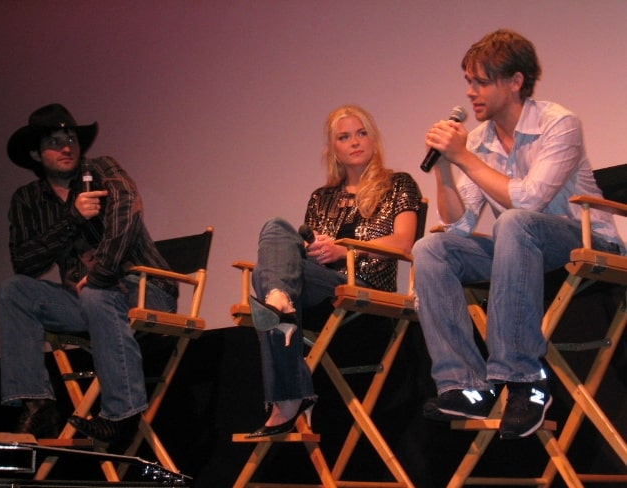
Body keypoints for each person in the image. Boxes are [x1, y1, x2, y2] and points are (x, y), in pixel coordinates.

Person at [413, 29, 625, 440]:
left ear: (515, 82)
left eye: (481, 81)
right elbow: (459, 223)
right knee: (433, 248)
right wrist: (444, 170)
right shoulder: (478, 140)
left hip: (586, 241)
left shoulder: (559, 123)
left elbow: (529, 201)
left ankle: (524, 380)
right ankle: (465, 385)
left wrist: (465, 159)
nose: (471, 93)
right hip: (523, 247)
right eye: (468, 82)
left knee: (514, 221)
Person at [0, 103, 178, 450]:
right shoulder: (27, 199)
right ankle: (38, 403)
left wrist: (100, 275)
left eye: (71, 138)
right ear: (36, 153)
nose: (67, 146)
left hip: (145, 289)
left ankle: (121, 415)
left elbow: (127, 213)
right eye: (55, 141)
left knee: (97, 293)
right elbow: (24, 262)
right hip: (87, 301)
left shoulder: (102, 169)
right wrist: (72, 218)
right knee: (13, 290)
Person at [246, 104, 423, 437]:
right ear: (334, 150)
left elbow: (402, 243)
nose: (355, 142)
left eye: (361, 133)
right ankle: (278, 297)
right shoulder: (321, 197)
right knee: (276, 229)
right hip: (324, 283)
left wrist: (343, 249)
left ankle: (287, 395)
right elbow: (306, 257)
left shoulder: (398, 184)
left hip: (367, 287)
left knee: (263, 277)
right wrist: (317, 249)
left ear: (373, 139)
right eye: (344, 137)